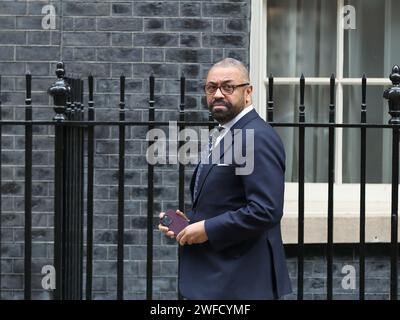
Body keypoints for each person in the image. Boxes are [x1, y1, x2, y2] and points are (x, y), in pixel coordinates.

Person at [158, 58, 292, 300]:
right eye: (211, 87)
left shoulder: (257, 137)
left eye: (228, 87)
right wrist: (190, 224)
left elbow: (266, 210)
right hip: (218, 280)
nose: (218, 94)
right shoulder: (226, 134)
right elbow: (229, 201)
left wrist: (207, 229)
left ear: (248, 92)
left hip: (240, 284)